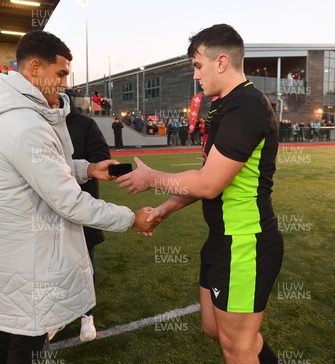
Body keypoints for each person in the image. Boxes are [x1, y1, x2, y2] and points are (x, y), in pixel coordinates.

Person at [0, 30, 158, 363]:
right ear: (36, 68)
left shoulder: (6, 113)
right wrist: (131, 218)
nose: (64, 83)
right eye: (61, 73)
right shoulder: (25, 123)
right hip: (26, 256)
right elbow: (69, 202)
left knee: (11, 332)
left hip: (6, 249)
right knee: (26, 341)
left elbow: (35, 166)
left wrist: (86, 169)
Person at [117, 24, 282, 364]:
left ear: (221, 62)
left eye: (197, 65)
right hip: (223, 239)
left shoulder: (247, 107)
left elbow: (208, 184)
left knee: (237, 347)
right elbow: (204, 179)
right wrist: (164, 210)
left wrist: (152, 178)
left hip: (245, 242)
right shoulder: (225, 105)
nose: (195, 76)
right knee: (215, 329)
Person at [49, 100, 112, 342]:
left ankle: (87, 315)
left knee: (86, 264)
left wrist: (81, 173)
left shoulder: (85, 124)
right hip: (49, 211)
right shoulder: (38, 122)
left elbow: (102, 160)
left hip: (82, 207)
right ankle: (58, 317)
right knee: (53, 266)